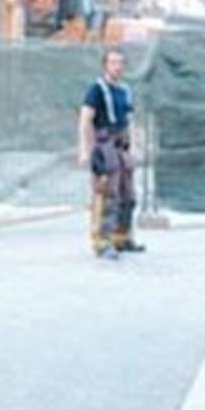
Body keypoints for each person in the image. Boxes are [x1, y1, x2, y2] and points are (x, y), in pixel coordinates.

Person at [77, 48, 143, 258]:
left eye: (121, 62)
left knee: (128, 194)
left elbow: (130, 121)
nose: (118, 66)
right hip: (104, 145)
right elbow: (85, 119)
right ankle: (102, 241)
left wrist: (135, 146)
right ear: (105, 65)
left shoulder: (124, 90)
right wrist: (84, 150)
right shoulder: (96, 89)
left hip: (122, 145)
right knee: (107, 193)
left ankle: (121, 237)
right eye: (113, 62)